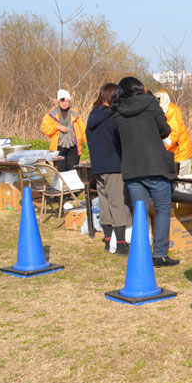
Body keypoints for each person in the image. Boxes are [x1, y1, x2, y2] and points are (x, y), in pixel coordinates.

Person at [112, 76, 179, 267]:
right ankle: (159, 255)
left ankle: (140, 253)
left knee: (139, 212)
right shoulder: (150, 102)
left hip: (132, 168)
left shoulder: (116, 110)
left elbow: (118, 138)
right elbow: (165, 130)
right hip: (156, 165)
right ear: (140, 89)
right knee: (163, 210)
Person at [86, 82, 131, 255]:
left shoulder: (93, 116)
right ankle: (120, 244)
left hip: (98, 166)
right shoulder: (113, 118)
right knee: (118, 203)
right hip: (114, 166)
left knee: (104, 203)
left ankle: (107, 241)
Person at [40, 88, 86, 172]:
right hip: (59, 148)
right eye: (62, 101)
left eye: (66, 101)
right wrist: (57, 127)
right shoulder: (52, 114)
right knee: (61, 170)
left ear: (69, 101)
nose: (64, 103)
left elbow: (82, 129)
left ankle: (72, 185)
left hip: (73, 147)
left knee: (73, 170)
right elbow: (44, 128)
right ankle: (62, 185)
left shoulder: (75, 113)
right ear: (58, 102)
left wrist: (89, 141)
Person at [155, 90, 192, 176]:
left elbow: (173, 135)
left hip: (181, 154)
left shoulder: (172, 110)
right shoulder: (156, 110)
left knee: (181, 185)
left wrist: (158, 150)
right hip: (169, 155)